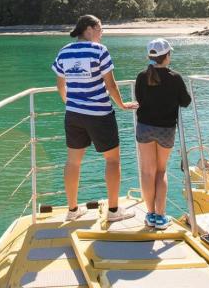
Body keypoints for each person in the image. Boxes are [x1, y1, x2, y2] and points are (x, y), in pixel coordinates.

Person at [52, 14, 138, 222]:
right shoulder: (99, 50)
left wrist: (70, 103)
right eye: (100, 29)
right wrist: (123, 105)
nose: (102, 34)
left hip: (73, 114)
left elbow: (60, 85)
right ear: (88, 29)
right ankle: (114, 210)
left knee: (73, 163)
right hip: (99, 114)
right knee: (112, 160)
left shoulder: (64, 51)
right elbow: (111, 85)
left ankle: (72, 211)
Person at [134, 38, 191, 229]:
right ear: (166, 56)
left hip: (144, 128)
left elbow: (139, 99)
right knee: (161, 171)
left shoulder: (142, 76)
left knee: (147, 172)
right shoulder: (175, 77)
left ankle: (150, 214)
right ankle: (160, 216)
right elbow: (185, 101)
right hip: (166, 129)